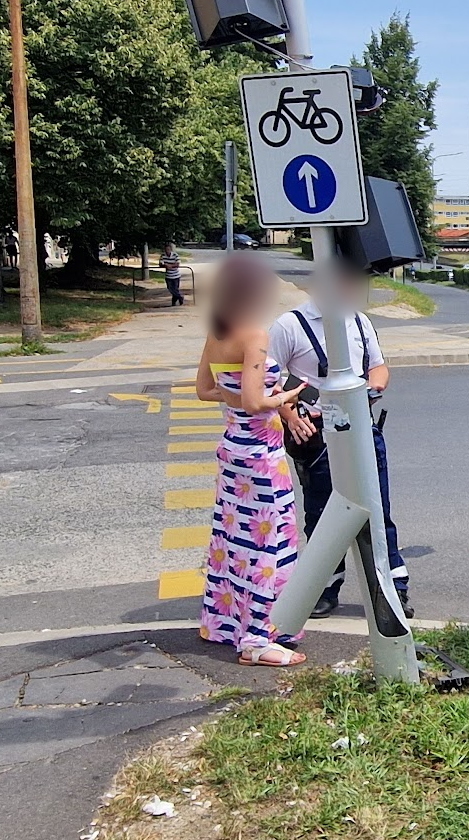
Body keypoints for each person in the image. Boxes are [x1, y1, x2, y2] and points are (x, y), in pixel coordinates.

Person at [268, 261, 413, 619]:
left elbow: (379, 366)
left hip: (363, 431)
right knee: (320, 515)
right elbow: (266, 378)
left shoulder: (360, 321)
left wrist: (374, 385)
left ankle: (392, 591)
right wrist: (288, 414)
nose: (353, 290)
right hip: (318, 439)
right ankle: (322, 588)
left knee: (377, 514)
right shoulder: (291, 325)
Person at [194, 254, 305, 667]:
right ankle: (259, 638)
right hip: (262, 458)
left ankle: (226, 624)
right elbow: (259, 401)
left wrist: (234, 397)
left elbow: (205, 390)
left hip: (232, 452)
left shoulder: (217, 331)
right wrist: (286, 397)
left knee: (233, 540)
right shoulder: (255, 334)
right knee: (270, 542)